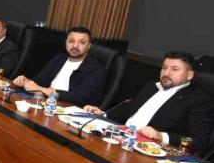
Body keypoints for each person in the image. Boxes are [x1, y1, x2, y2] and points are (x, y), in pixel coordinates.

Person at [84, 51, 214, 153]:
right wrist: (104, 114)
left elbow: (199, 141)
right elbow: (128, 109)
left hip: (147, 150)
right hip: (119, 138)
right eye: (164, 68)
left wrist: (161, 136)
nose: (166, 73)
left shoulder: (198, 100)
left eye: (174, 69)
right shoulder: (152, 86)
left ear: (189, 75)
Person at [13, 26, 106, 106]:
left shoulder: (95, 69)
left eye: (82, 42)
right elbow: (40, 80)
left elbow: (80, 97)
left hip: (68, 109)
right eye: (71, 41)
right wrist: (27, 81)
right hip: (45, 103)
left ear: (89, 46)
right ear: (66, 42)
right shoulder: (59, 59)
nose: (75, 46)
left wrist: (42, 90)